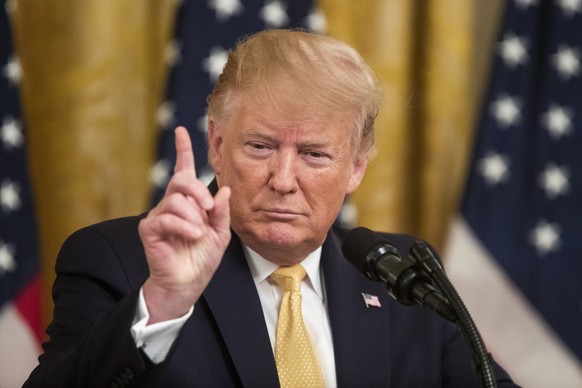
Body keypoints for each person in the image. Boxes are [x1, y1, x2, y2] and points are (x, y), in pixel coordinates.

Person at [25, 29, 517, 387]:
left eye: (314, 154)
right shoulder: (118, 261)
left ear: (357, 167)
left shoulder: (403, 280)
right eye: (260, 147)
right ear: (216, 146)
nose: (283, 181)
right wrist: (162, 304)